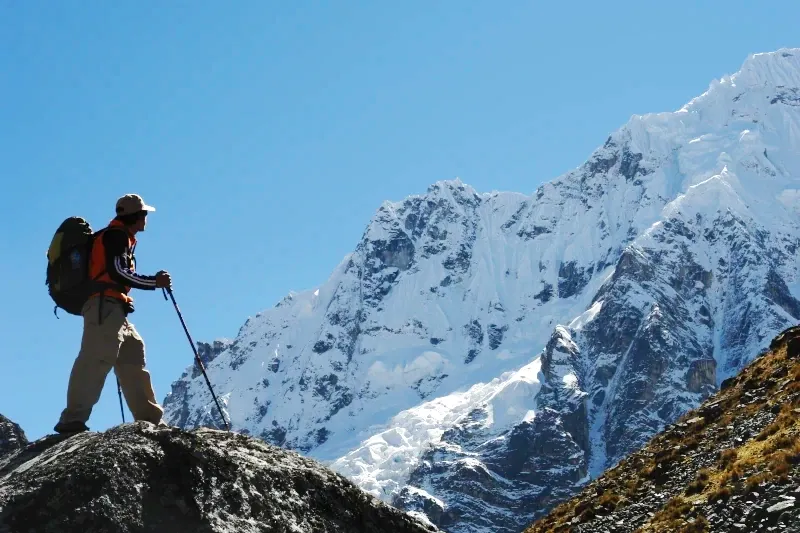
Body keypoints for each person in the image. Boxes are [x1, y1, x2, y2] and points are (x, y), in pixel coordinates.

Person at [54, 194, 172, 434]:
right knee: (95, 359)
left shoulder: (119, 236)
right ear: (136, 217)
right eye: (144, 214)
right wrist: (154, 282)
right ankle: (71, 421)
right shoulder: (116, 237)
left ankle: (150, 420)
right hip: (104, 306)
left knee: (132, 356)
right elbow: (118, 272)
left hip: (113, 307)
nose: (146, 219)